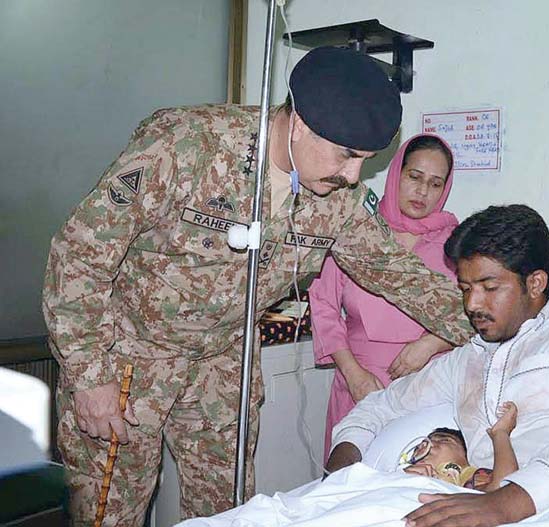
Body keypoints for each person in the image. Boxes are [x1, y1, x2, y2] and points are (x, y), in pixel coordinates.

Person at [42, 46, 472, 525]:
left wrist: (494, 317)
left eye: (366, 161)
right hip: (126, 354)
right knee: (109, 510)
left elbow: (400, 275)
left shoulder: (339, 199)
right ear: (302, 124)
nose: (354, 176)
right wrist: (88, 374)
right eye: (348, 156)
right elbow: (79, 252)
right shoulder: (189, 147)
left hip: (223, 363)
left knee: (227, 509)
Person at [325, 204, 549, 527]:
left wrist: (504, 505)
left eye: (489, 287)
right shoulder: (469, 358)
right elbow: (382, 406)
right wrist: (339, 477)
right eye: (465, 289)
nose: (471, 304)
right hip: (476, 501)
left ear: (535, 283)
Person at [309, 133, 459, 459]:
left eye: (435, 184)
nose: (422, 192)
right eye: (415, 177)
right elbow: (323, 306)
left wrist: (432, 343)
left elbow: (476, 312)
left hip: (428, 388)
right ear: (396, 175)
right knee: (348, 486)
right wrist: (353, 375)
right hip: (359, 385)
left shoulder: (456, 244)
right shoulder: (359, 232)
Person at [404, 401, 519, 492]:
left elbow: (503, 489)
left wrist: (500, 433)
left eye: (443, 440)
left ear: (466, 457)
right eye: (418, 447)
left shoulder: (470, 479)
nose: (427, 446)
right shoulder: (400, 474)